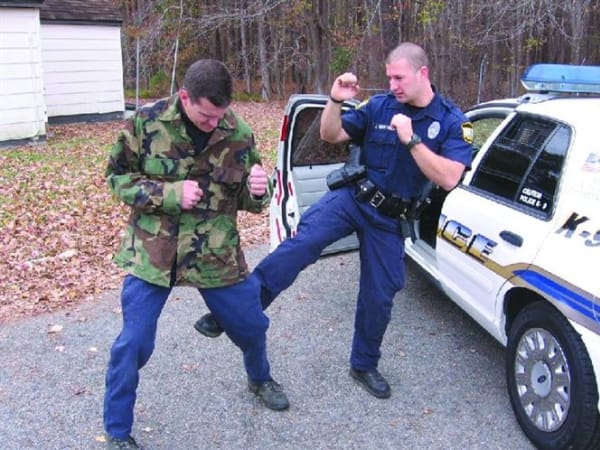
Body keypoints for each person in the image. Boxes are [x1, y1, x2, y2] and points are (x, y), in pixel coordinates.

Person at [194, 42, 473, 399]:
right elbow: (330, 134)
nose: (392, 85)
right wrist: (335, 100)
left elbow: (449, 177)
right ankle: (233, 313)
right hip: (353, 199)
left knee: (379, 295)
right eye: (389, 77)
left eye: (399, 78)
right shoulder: (379, 106)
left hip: (390, 219)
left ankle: (364, 364)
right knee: (300, 246)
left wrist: (412, 140)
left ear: (423, 73)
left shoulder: (451, 121)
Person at [103, 59, 289, 450]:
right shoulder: (146, 123)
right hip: (154, 252)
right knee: (132, 343)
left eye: (219, 116)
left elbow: (249, 199)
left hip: (214, 251)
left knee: (252, 325)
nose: (214, 124)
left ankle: (259, 379)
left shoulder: (238, 132)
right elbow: (116, 179)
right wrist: (169, 193)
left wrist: (259, 190)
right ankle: (117, 431)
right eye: (206, 116)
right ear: (185, 97)